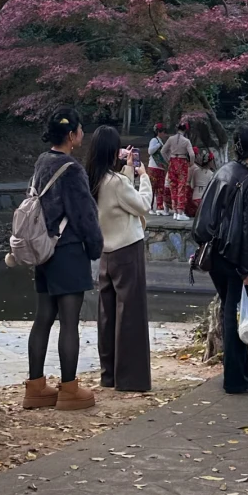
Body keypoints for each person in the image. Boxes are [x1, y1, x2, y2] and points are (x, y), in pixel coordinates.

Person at [22, 107, 104, 411]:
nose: (82, 134)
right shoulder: (72, 169)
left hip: (42, 250)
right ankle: (69, 389)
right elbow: (85, 215)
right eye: (80, 129)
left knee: (43, 317)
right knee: (69, 322)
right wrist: (95, 249)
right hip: (67, 251)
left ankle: (36, 387)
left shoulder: (42, 162)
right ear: (72, 135)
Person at [192, 124, 248, 395]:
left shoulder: (223, 172)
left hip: (215, 254)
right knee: (234, 313)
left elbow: (205, 215)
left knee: (229, 309)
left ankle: (241, 372)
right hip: (235, 257)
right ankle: (235, 379)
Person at [87, 126, 154, 393]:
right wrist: (144, 177)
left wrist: (127, 170)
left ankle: (109, 374)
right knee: (131, 315)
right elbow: (142, 204)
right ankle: (131, 379)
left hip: (107, 253)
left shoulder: (95, 179)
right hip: (128, 250)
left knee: (108, 315)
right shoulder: (116, 183)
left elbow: (118, 198)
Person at [161, 120, 195, 219]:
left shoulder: (171, 139)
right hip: (182, 162)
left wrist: (168, 160)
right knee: (181, 186)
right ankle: (180, 211)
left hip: (172, 161)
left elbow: (163, 151)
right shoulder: (186, 141)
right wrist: (191, 162)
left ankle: (175, 211)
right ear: (186, 129)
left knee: (173, 186)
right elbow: (192, 154)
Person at [188, 148, 216, 217]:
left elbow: (192, 185)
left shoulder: (195, 171)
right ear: (210, 162)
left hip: (194, 201)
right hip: (204, 201)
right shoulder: (212, 174)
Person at [146, 123, 168, 211]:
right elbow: (150, 151)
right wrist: (159, 145)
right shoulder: (154, 140)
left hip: (160, 167)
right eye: (163, 132)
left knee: (160, 188)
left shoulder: (161, 141)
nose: (164, 134)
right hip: (153, 167)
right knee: (152, 187)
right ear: (159, 132)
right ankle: (150, 207)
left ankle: (159, 207)